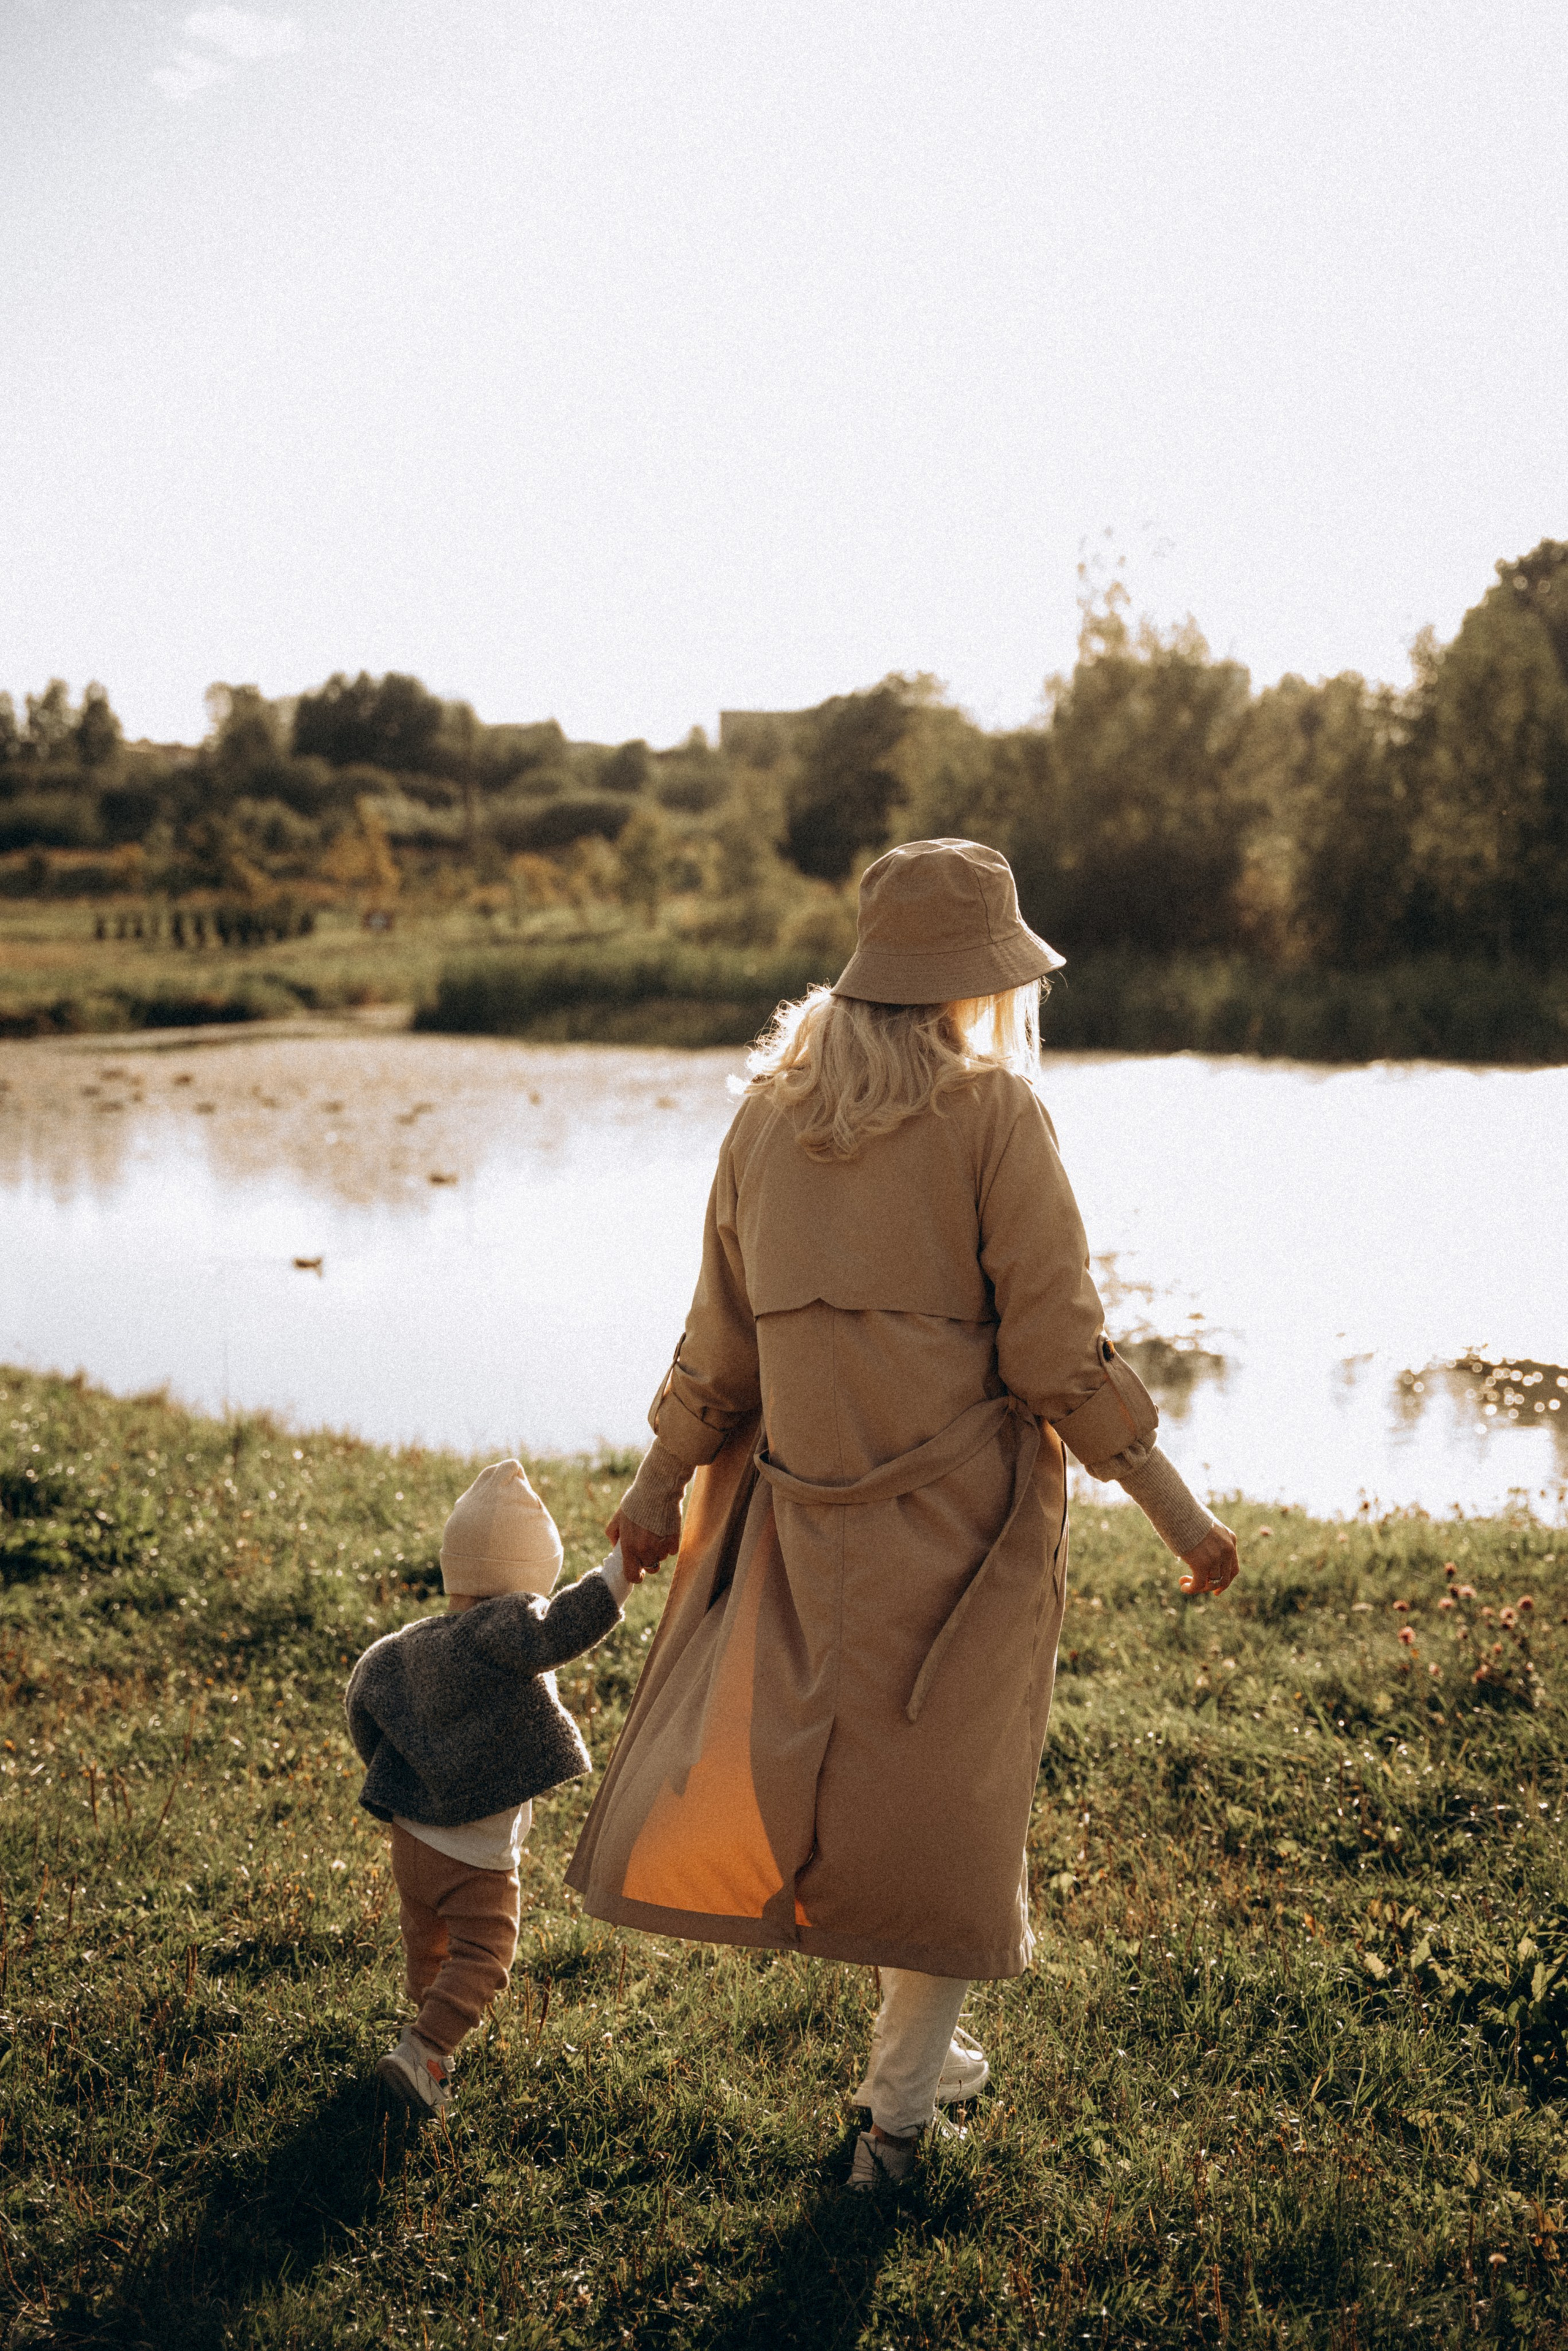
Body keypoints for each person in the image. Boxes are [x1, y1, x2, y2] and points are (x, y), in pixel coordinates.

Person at [567, 837, 1240, 2187]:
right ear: (973, 982)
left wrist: (654, 1490)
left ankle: (923, 2061)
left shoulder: (764, 1117)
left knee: (886, 1805)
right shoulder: (995, 1115)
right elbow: (1058, 1355)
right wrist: (1178, 1505)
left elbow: (717, 1349)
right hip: (963, 1538)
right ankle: (894, 2130)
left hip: (804, 1525)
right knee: (946, 1822)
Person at [347, 1459, 644, 2116]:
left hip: (411, 1836)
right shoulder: (505, 1627)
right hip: (474, 1855)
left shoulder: (409, 1642)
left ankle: (423, 2039)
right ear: (526, 1584)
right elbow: (565, 1626)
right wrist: (621, 1571)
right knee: (484, 1953)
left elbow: (361, 1699)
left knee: (428, 1940)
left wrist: (395, 1777)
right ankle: (424, 2050)